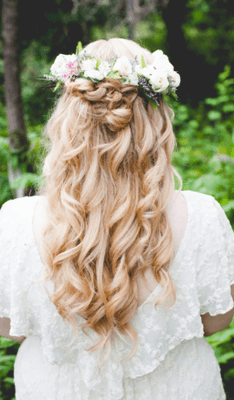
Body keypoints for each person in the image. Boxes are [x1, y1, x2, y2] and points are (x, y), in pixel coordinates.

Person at [0, 37, 234, 400]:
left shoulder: (16, 222)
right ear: (156, 120)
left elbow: (9, 326)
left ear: (67, 120)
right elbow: (218, 319)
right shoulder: (202, 215)